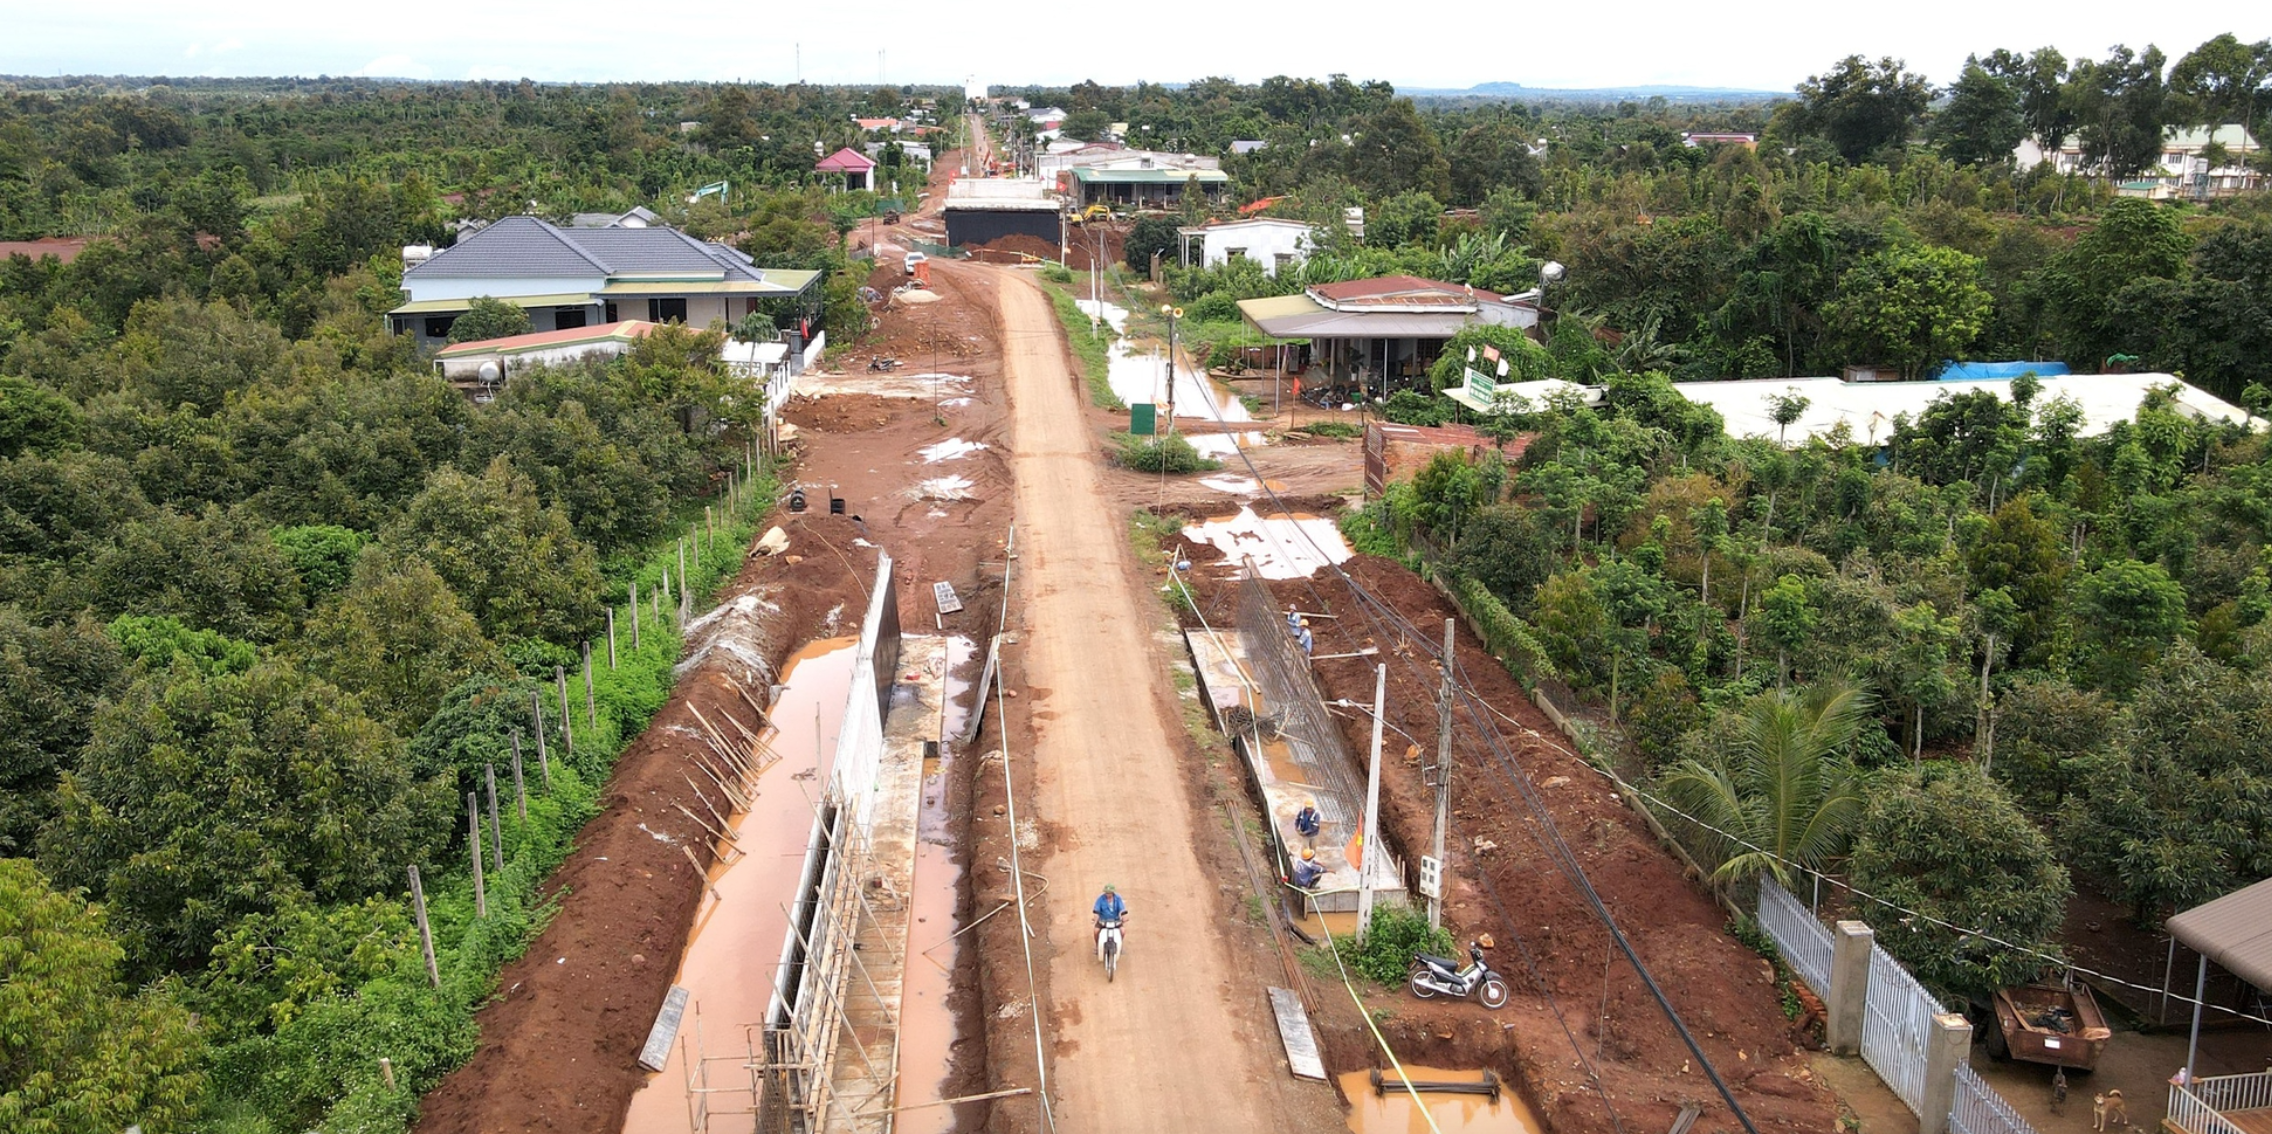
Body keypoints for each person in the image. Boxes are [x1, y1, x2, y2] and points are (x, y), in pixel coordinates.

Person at [1093, 883, 1127, 961]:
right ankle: (1097, 946)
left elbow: (1122, 909)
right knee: (1096, 931)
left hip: (1116, 920)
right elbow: (1096, 910)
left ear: (1113, 892)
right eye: (1106, 893)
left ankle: (1120, 946)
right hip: (1103, 920)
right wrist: (1096, 918)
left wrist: (1124, 917)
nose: (1108, 894)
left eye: (1109, 893)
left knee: (1123, 931)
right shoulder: (1100, 899)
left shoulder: (1118, 898)